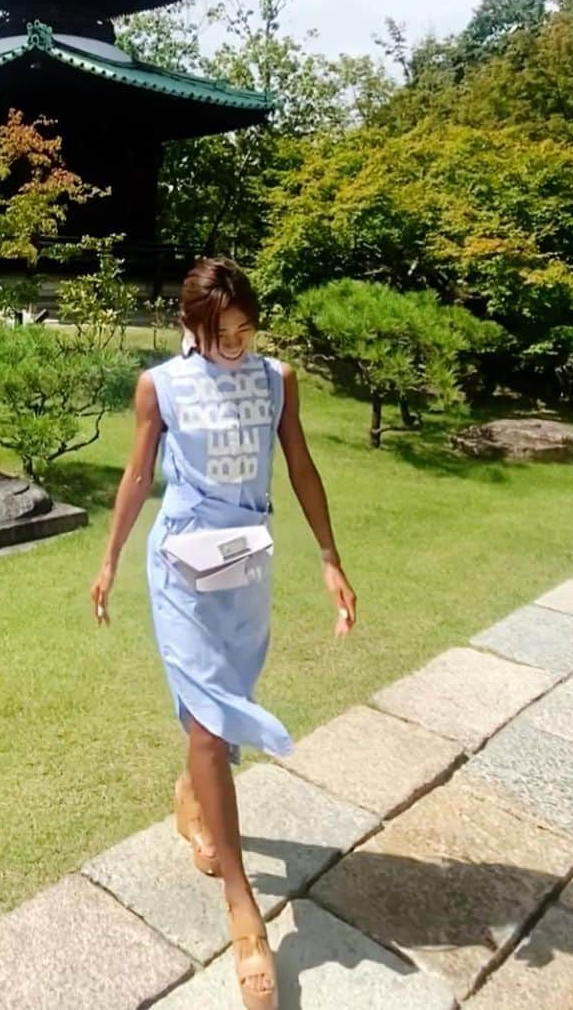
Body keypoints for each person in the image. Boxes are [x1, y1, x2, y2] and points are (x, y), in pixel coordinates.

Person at [90, 257, 356, 1010]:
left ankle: (191, 791)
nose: (236, 344)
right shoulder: (161, 387)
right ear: (189, 327)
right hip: (180, 563)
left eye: (245, 330)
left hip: (247, 563)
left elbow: (298, 464)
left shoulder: (277, 379)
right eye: (220, 334)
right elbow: (139, 476)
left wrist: (331, 557)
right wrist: (108, 559)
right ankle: (245, 917)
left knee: (222, 709)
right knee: (211, 726)